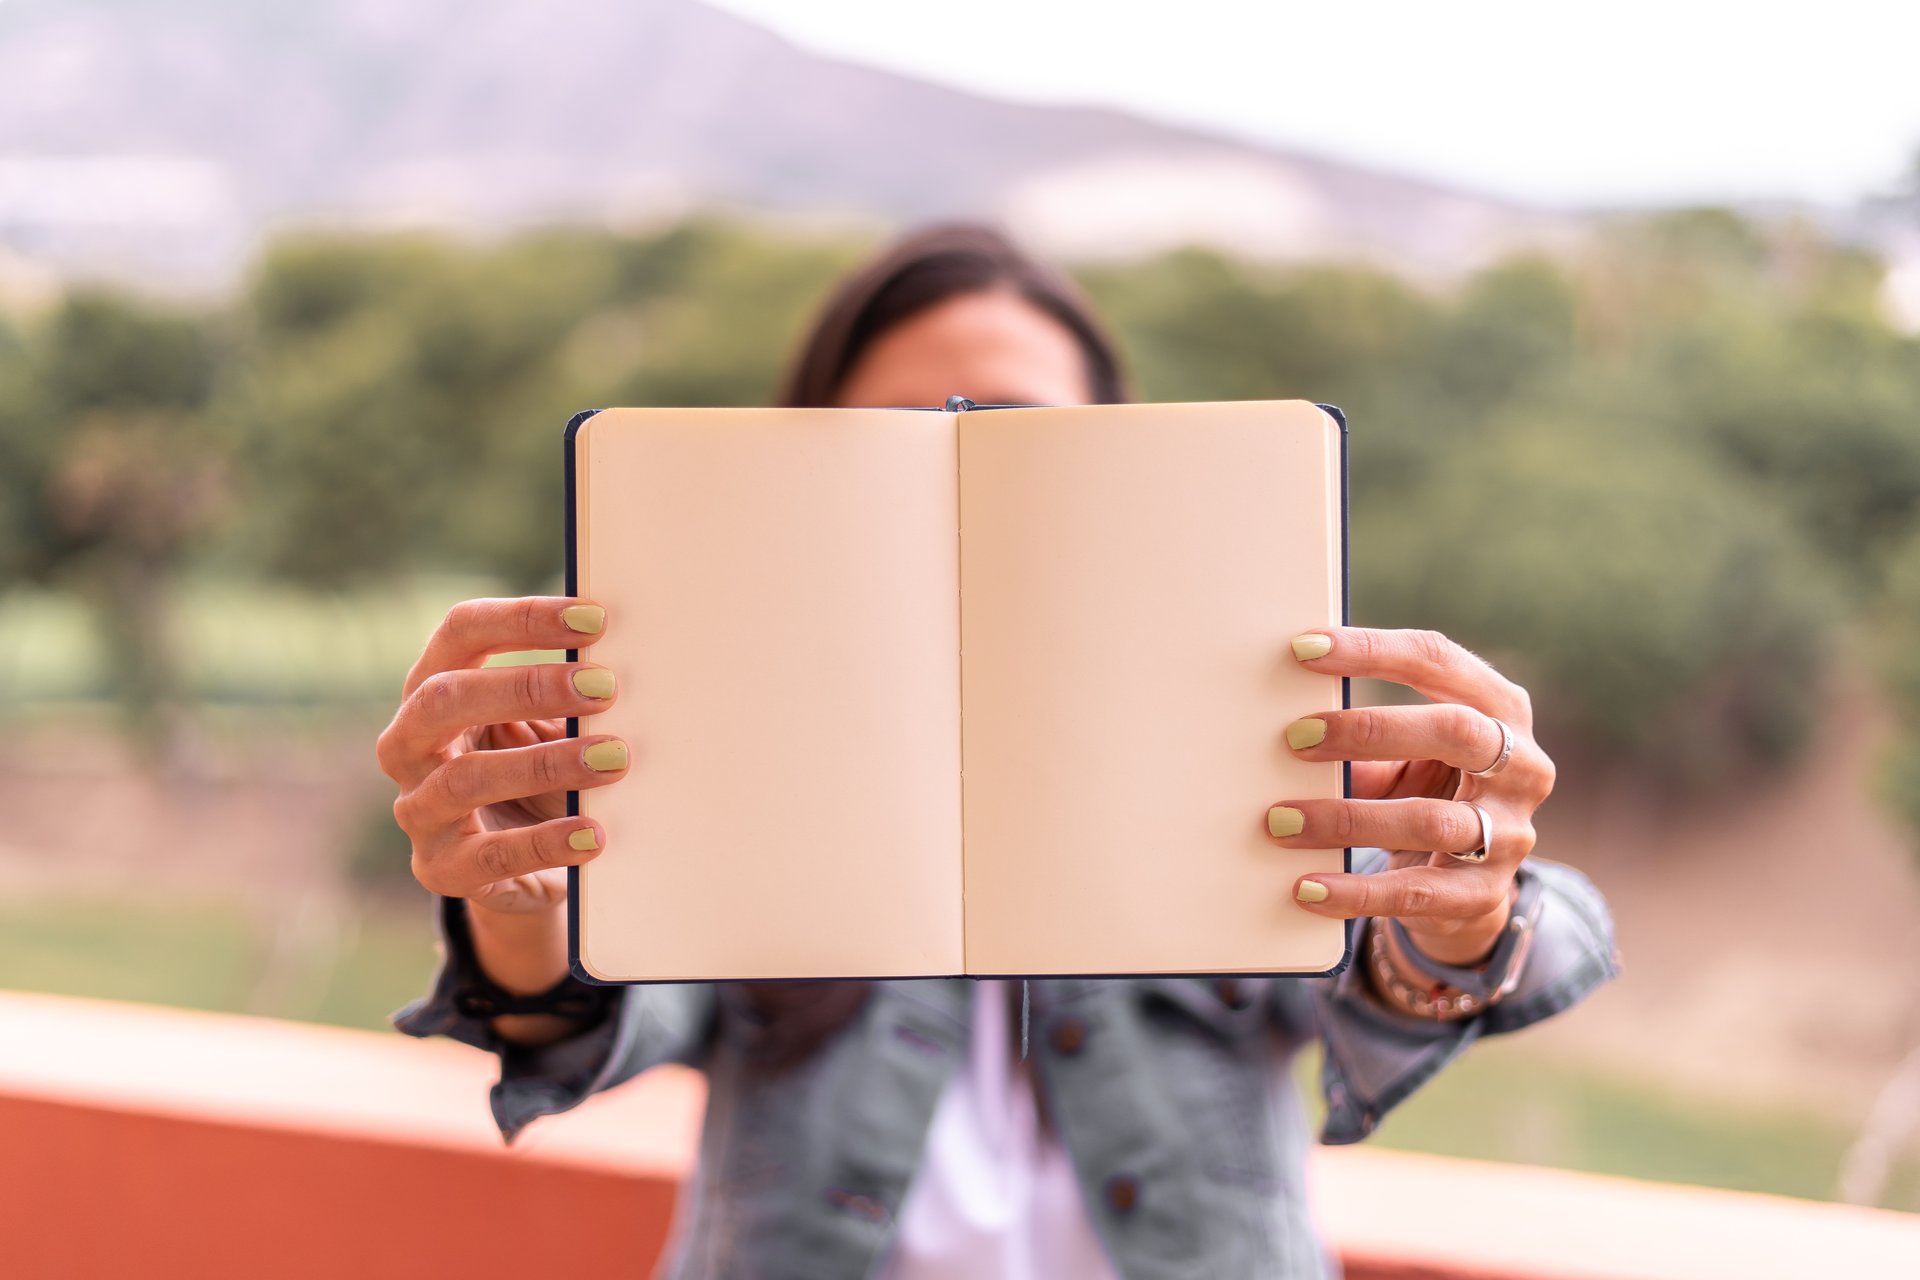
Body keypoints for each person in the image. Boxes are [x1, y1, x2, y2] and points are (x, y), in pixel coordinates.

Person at [380, 224, 1619, 1279]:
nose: (957, 479)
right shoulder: (722, 722)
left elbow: (1510, 944)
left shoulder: (1246, 711)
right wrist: (520, 900)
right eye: (902, 437)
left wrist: (1458, 918)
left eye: (1013, 430)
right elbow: (596, 1009)